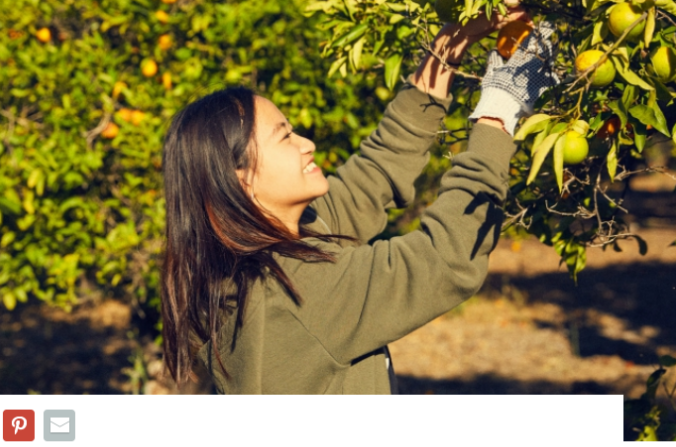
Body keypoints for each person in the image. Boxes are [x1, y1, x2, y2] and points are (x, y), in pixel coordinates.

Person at [160, 7, 558, 394]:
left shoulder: (249, 262)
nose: (307, 145)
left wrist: (454, 40)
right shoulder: (299, 291)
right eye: (284, 136)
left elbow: (381, 166)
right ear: (239, 178)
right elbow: (446, 260)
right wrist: (500, 109)